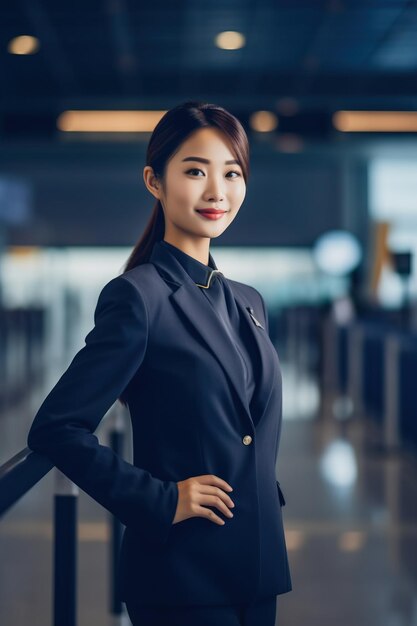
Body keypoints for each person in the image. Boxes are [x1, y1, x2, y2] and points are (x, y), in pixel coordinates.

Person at [26, 101, 292, 626]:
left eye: (232, 173)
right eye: (195, 171)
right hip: (182, 573)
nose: (217, 191)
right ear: (155, 180)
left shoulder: (249, 301)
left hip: (259, 567)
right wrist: (159, 500)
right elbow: (58, 428)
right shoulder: (138, 297)